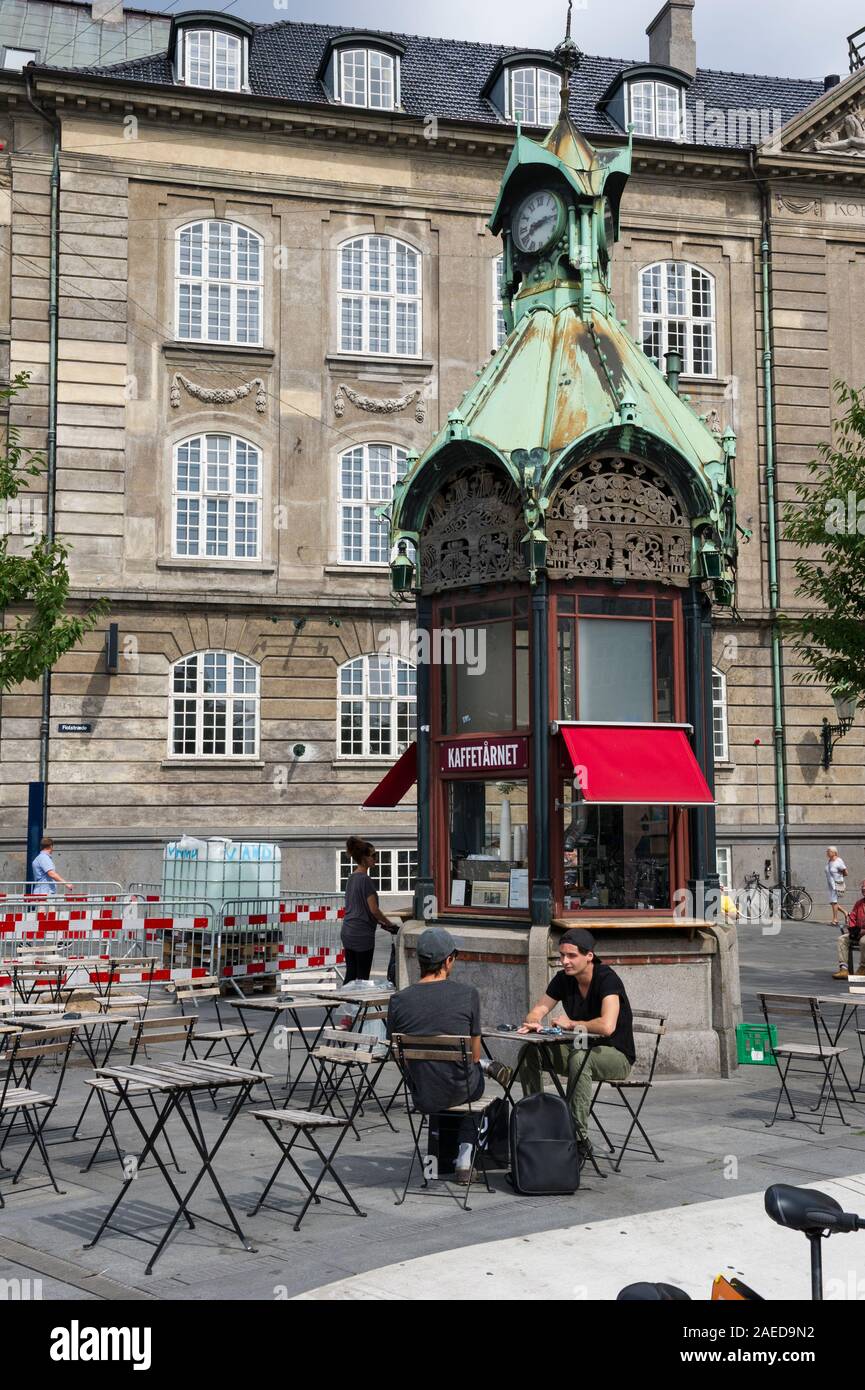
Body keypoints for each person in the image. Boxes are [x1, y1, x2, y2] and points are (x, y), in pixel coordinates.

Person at [386, 926, 511, 1184]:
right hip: (460, 1088)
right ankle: (464, 1158)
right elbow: (474, 1054)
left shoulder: (398, 1000)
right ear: (448, 960)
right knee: (474, 1078)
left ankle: (484, 1068)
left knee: (459, 1070)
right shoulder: (467, 995)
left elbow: (398, 1055)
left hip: (423, 1094)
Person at [516, 927, 635, 1164]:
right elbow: (538, 1009)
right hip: (577, 1049)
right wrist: (535, 1022)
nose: (564, 962)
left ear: (589, 955)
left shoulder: (607, 979)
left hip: (616, 1055)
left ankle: (577, 1137)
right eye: (561, 956)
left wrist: (571, 1024)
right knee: (530, 1050)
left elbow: (607, 1026)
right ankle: (537, 1120)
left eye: (571, 956)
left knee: (580, 1059)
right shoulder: (564, 979)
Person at [834, 880, 865, 980]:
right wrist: (852, 929)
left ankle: (863, 968)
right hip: (858, 932)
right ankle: (844, 969)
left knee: (863, 941)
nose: (863, 890)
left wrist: (863, 931)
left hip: (864, 934)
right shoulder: (859, 903)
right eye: (862, 889)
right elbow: (852, 917)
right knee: (842, 939)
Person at [826, 846, 849, 928]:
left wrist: (839, 876)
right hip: (831, 885)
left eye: (828, 851)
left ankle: (835, 920)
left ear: (834, 852)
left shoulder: (838, 861)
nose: (827, 852)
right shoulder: (830, 861)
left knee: (834, 902)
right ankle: (845, 913)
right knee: (833, 902)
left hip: (837, 884)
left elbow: (846, 872)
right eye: (827, 851)